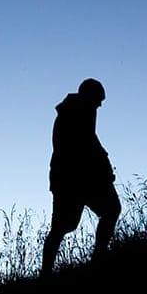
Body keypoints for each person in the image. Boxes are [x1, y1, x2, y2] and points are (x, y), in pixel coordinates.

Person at [42, 78, 121, 278]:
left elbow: (90, 142)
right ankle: (46, 274)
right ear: (89, 95)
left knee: (110, 210)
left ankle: (97, 258)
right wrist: (103, 167)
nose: (100, 105)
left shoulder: (78, 110)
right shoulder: (77, 111)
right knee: (62, 227)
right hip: (73, 180)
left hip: (78, 178)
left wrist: (103, 166)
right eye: (99, 100)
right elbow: (85, 145)